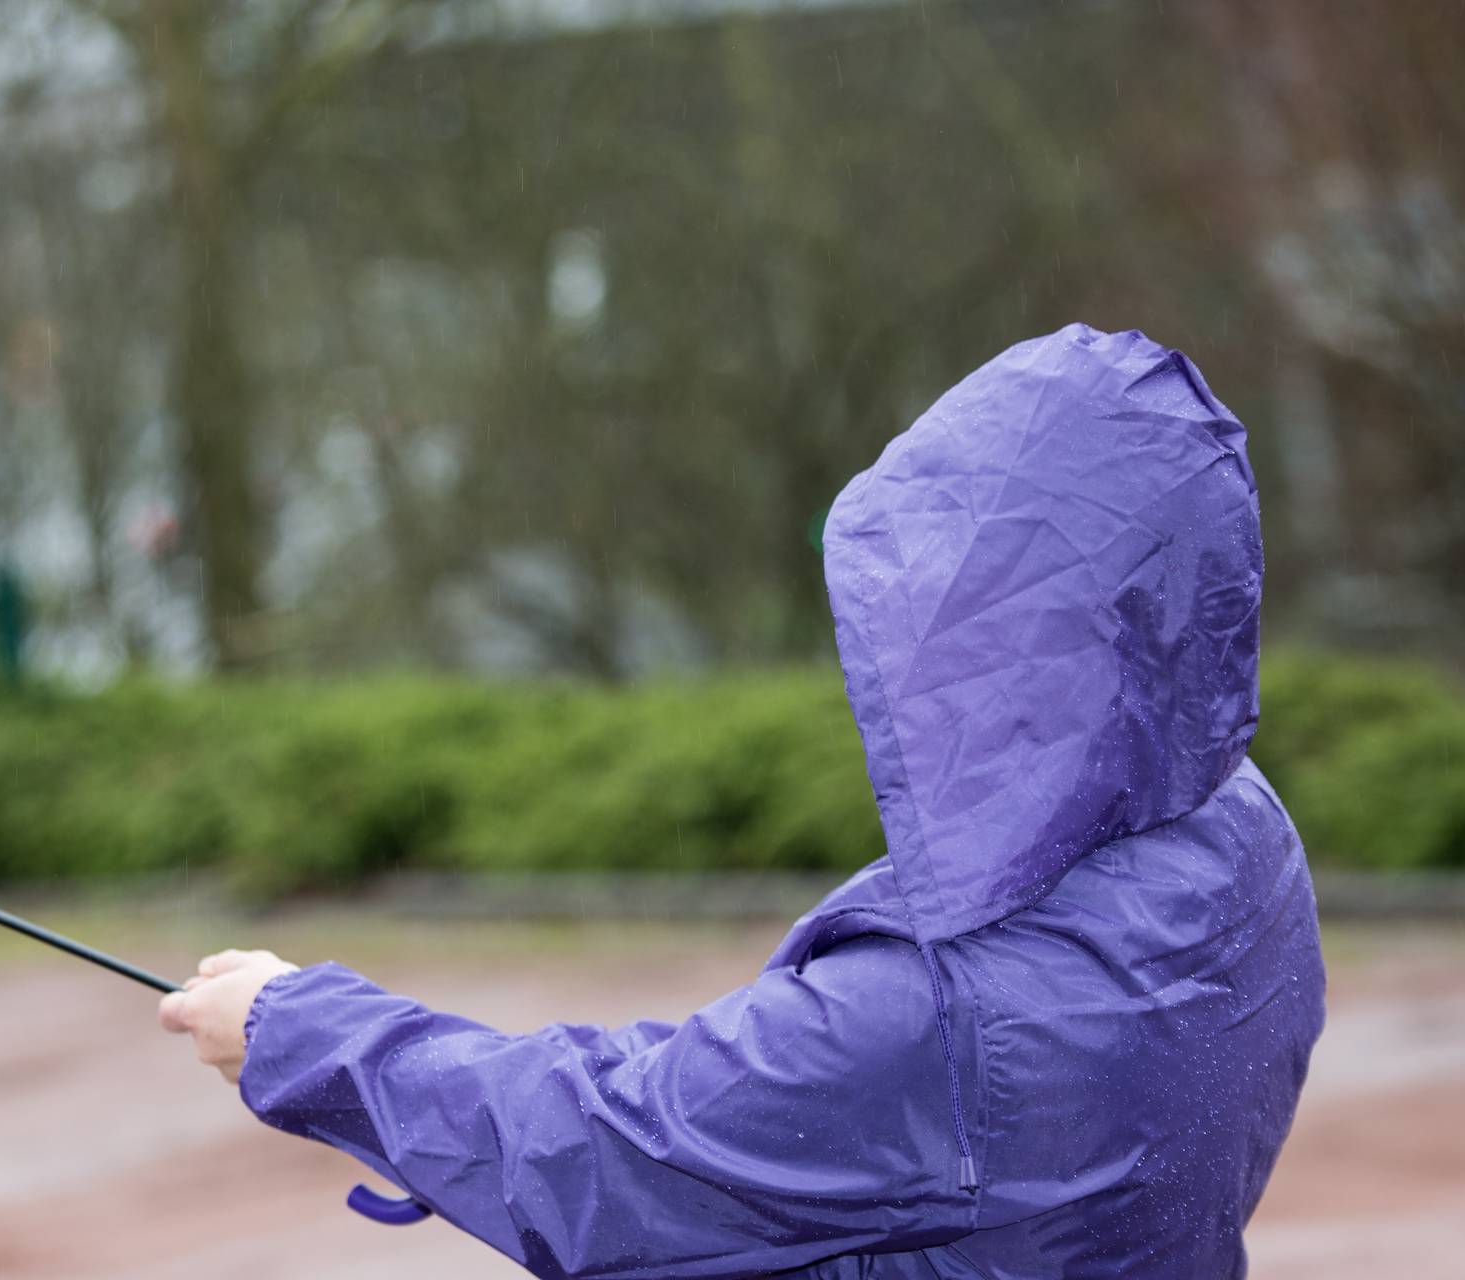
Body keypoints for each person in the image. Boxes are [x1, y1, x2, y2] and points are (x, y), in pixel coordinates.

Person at [159, 325, 1326, 1278]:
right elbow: (756, 1102)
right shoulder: (1241, 834)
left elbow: (610, 1148)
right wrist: (432, 1131)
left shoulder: (947, 1019)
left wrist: (298, 1027)